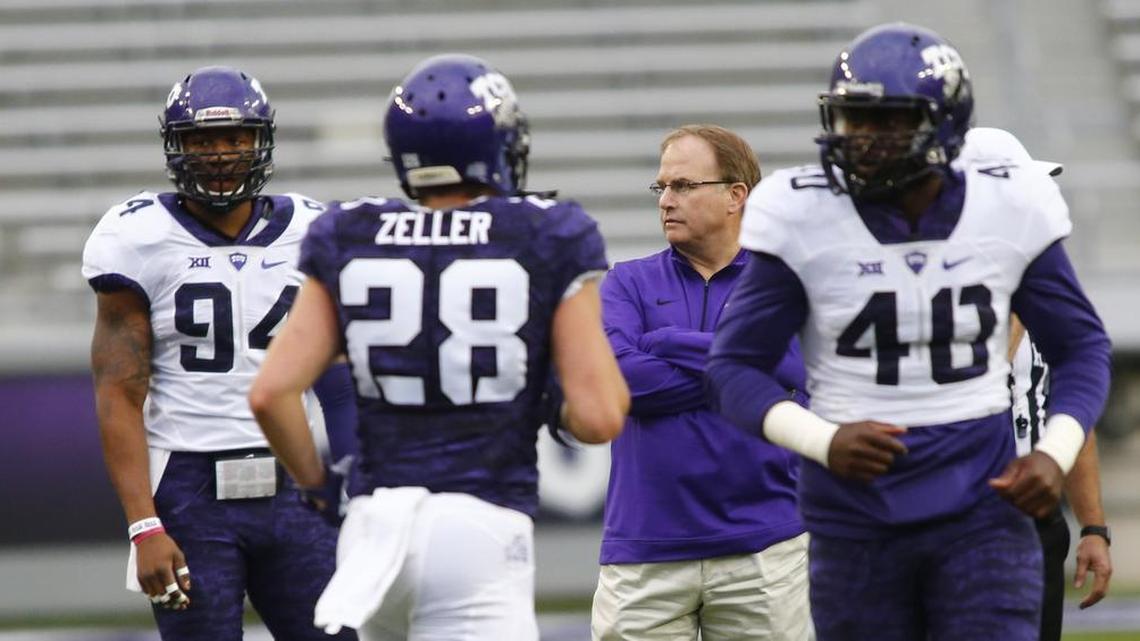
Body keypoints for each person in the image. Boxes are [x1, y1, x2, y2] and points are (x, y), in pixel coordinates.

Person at [707, 23, 1113, 641]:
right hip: (854, 514)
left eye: (885, 122)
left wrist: (1053, 454)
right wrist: (822, 438)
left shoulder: (1008, 202)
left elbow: (1081, 347)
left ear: (942, 124)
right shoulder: (799, 211)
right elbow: (734, 368)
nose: (861, 140)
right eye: (851, 120)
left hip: (983, 505)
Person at [248, 53, 629, 640]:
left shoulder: (349, 231)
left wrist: (316, 486)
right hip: (476, 527)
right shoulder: (547, 231)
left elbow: (271, 393)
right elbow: (600, 417)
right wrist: (546, 395)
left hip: (372, 534)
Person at [82, 66, 357, 640]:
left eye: (236, 138)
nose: (220, 154)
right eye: (201, 140)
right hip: (188, 487)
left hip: (295, 481)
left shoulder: (313, 229)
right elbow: (118, 392)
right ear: (175, 147)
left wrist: (356, 479)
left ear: (262, 141)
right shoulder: (137, 236)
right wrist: (143, 526)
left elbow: (336, 378)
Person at [591, 124, 812, 641]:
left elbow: (798, 372)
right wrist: (747, 369)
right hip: (644, 551)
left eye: (684, 185)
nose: (666, 199)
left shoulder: (786, 280)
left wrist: (664, 341)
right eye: (661, 187)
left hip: (766, 548)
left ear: (736, 195)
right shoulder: (627, 279)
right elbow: (618, 381)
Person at [956, 126, 1115, 641]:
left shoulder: (1049, 298)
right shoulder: (933, 290)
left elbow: (1070, 418)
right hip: (949, 515)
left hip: (1033, 516)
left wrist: (1092, 526)